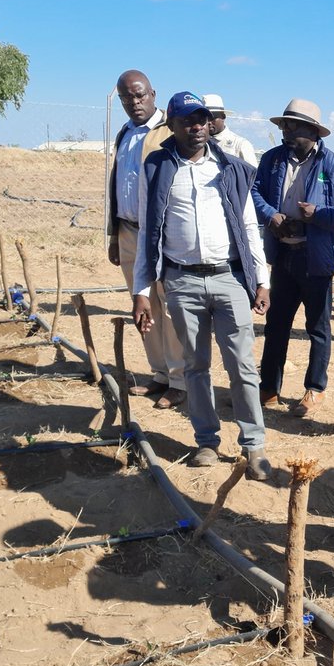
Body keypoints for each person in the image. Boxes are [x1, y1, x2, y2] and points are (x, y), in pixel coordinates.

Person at [133, 91, 272, 479]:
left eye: (202, 120)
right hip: (181, 280)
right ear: (172, 126)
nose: (197, 128)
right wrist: (141, 292)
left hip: (229, 278)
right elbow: (148, 231)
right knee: (195, 366)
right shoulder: (157, 168)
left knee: (242, 365)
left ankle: (253, 446)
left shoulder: (231, 168)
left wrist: (262, 280)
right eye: (188, 121)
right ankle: (207, 441)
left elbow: (248, 226)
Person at [252, 99, 334, 417]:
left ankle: (314, 389)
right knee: (276, 324)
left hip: (315, 259)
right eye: (283, 125)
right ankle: (269, 388)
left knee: (317, 327)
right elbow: (255, 192)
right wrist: (271, 216)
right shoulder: (274, 160)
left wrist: (318, 215)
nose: (284, 130)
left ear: (312, 130)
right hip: (283, 254)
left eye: (291, 125)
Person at [106, 70, 186, 409]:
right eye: (127, 98)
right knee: (144, 305)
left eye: (140, 96)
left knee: (170, 306)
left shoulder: (171, 131)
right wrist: (113, 234)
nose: (134, 103)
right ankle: (160, 373)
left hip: (162, 235)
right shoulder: (124, 133)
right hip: (128, 232)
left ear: (153, 93)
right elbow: (117, 182)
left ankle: (181, 380)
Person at [202, 94, 258, 165]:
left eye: (212, 118)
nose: (209, 122)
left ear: (223, 117)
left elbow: (252, 174)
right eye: (205, 118)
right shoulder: (200, 143)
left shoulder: (240, 144)